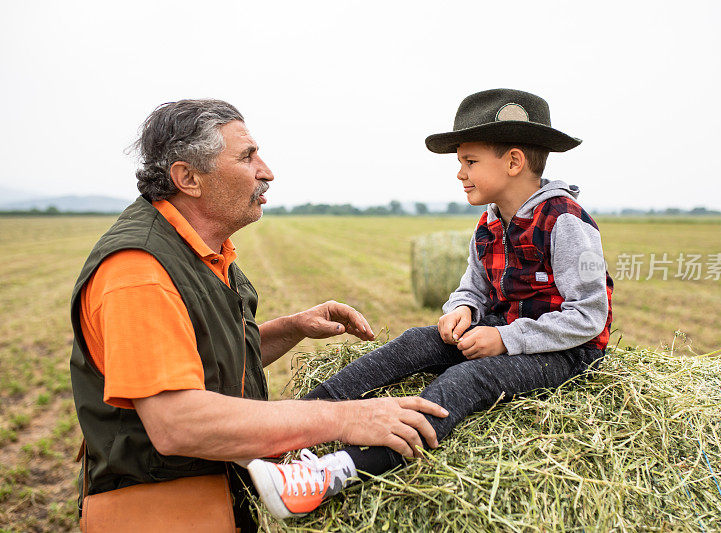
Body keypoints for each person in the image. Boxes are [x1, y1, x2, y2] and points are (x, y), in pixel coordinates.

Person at [69, 99, 448, 532]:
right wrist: (348, 417)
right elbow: (178, 423)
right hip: (166, 508)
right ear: (188, 177)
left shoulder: (205, 251)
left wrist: (291, 328)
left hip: (221, 488)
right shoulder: (138, 272)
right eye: (247, 156)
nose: (266, 171)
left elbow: (205, 361)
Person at [247, 88, 614, 519]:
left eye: (469, 161)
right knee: (413, 342)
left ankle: (340, 471)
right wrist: (461, 310)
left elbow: (589, 314)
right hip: (499, 328)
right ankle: (289, 428)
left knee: (469, 378)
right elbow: (472, 289)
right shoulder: (490, 222)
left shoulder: (566, 221)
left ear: (514, 162)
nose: (460, 173)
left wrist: (505, 338)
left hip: (564, 350)